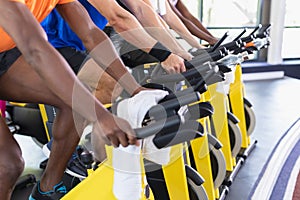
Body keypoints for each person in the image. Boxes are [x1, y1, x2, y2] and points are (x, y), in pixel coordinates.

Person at [0, 0, 154, 199]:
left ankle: (47, 190)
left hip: (6, 52)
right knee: (7, 164)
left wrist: (137, 90)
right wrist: (101, 116)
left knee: (75, 101)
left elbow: (90, 33)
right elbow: (35, 48)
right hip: (28, 47)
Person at [40, 0, 192, 179]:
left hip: (78, 42)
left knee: (112, 87)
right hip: (52, 43)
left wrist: (182, 52)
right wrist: (165, 54)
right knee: (111, 85)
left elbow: (142, 10)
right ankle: (64, 145)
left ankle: (73, 140)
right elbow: (118, 17)